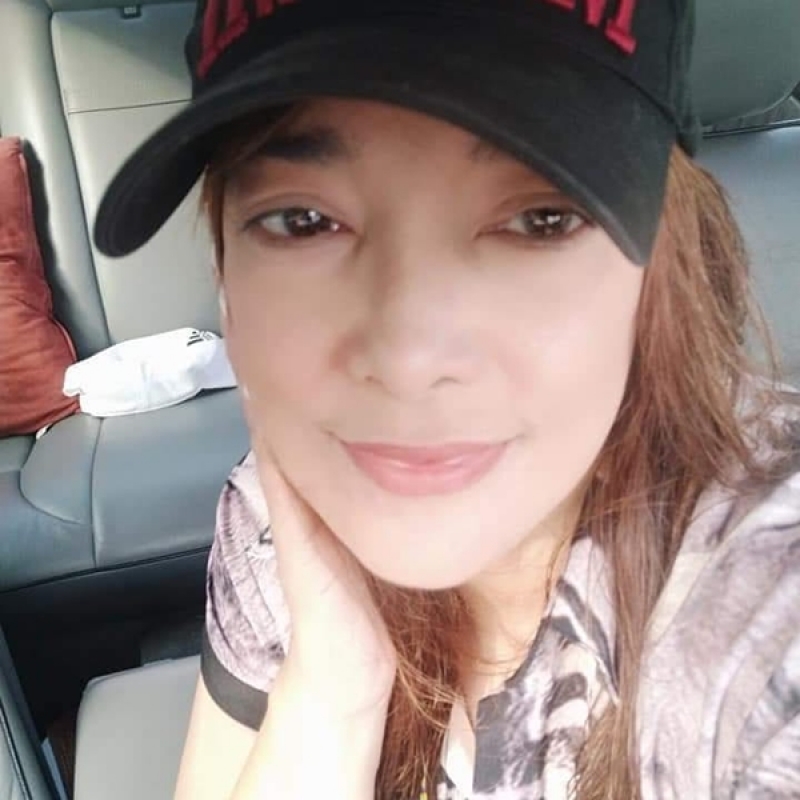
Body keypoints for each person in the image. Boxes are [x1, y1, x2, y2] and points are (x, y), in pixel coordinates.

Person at [94, 1, 800, 798]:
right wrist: (327, 692)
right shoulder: (274, 523)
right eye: (303, 221)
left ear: (659, 268)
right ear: (226, 284)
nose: (408, 361)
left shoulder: (769, 599)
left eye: (540, 219)